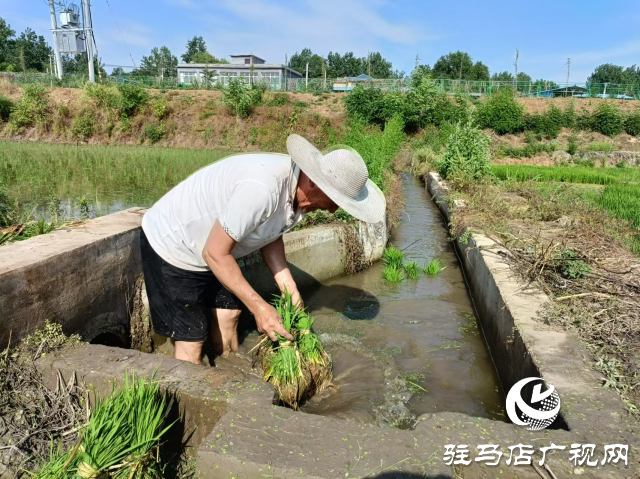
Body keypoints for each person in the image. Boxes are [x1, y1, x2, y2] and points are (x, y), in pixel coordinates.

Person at [140, 134, 385, 365]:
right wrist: (259, 308)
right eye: (334, 202)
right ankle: (190, 392)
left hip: (213, 248)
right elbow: (214, 253)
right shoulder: (262, 189)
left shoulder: (296, 194)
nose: (332, 211)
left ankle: (229, 372)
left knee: (229, 315)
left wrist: (290, 289)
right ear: (314, 183)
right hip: (175, 246)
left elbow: (270, 234)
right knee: (192, 341)